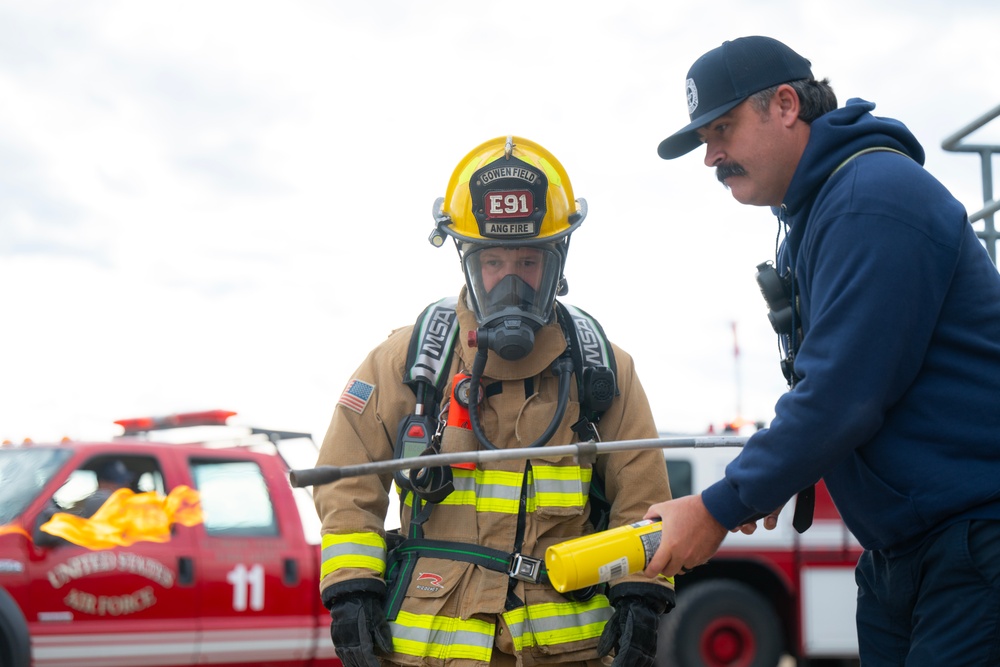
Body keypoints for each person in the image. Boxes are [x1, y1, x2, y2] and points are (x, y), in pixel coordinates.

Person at [646, 35, 1000, 666]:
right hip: (909, 549)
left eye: (721, 129)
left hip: (972, 538)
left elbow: (843, 394)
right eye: (704, 141)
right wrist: (773, 474)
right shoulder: (822, 211)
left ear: (785, 105)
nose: (711, 157)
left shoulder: (872, 197)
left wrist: (718, 507)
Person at [313, 136, 674, 667]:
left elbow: (642, 507)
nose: (511, 282)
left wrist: (641, 599)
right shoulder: (410, 363)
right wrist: (352, 590)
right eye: (494, 262)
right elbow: (346, 479)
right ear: (468, 262)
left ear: (557, 262)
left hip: (566, 653)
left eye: (528, 262)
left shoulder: (604, 372)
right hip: (428, 651)